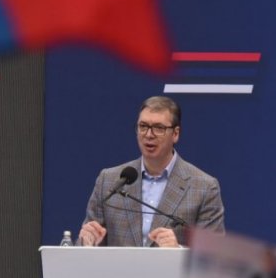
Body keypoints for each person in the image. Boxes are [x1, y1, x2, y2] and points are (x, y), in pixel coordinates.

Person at [78, 96, 225, 248]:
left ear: (175, 134)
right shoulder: (109, 181)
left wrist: (178, 250)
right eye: (143, 126)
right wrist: (87, 242)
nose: (148, 134)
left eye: (159, 128)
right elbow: (85, 246)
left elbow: (213, 255)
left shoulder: (204, 187)